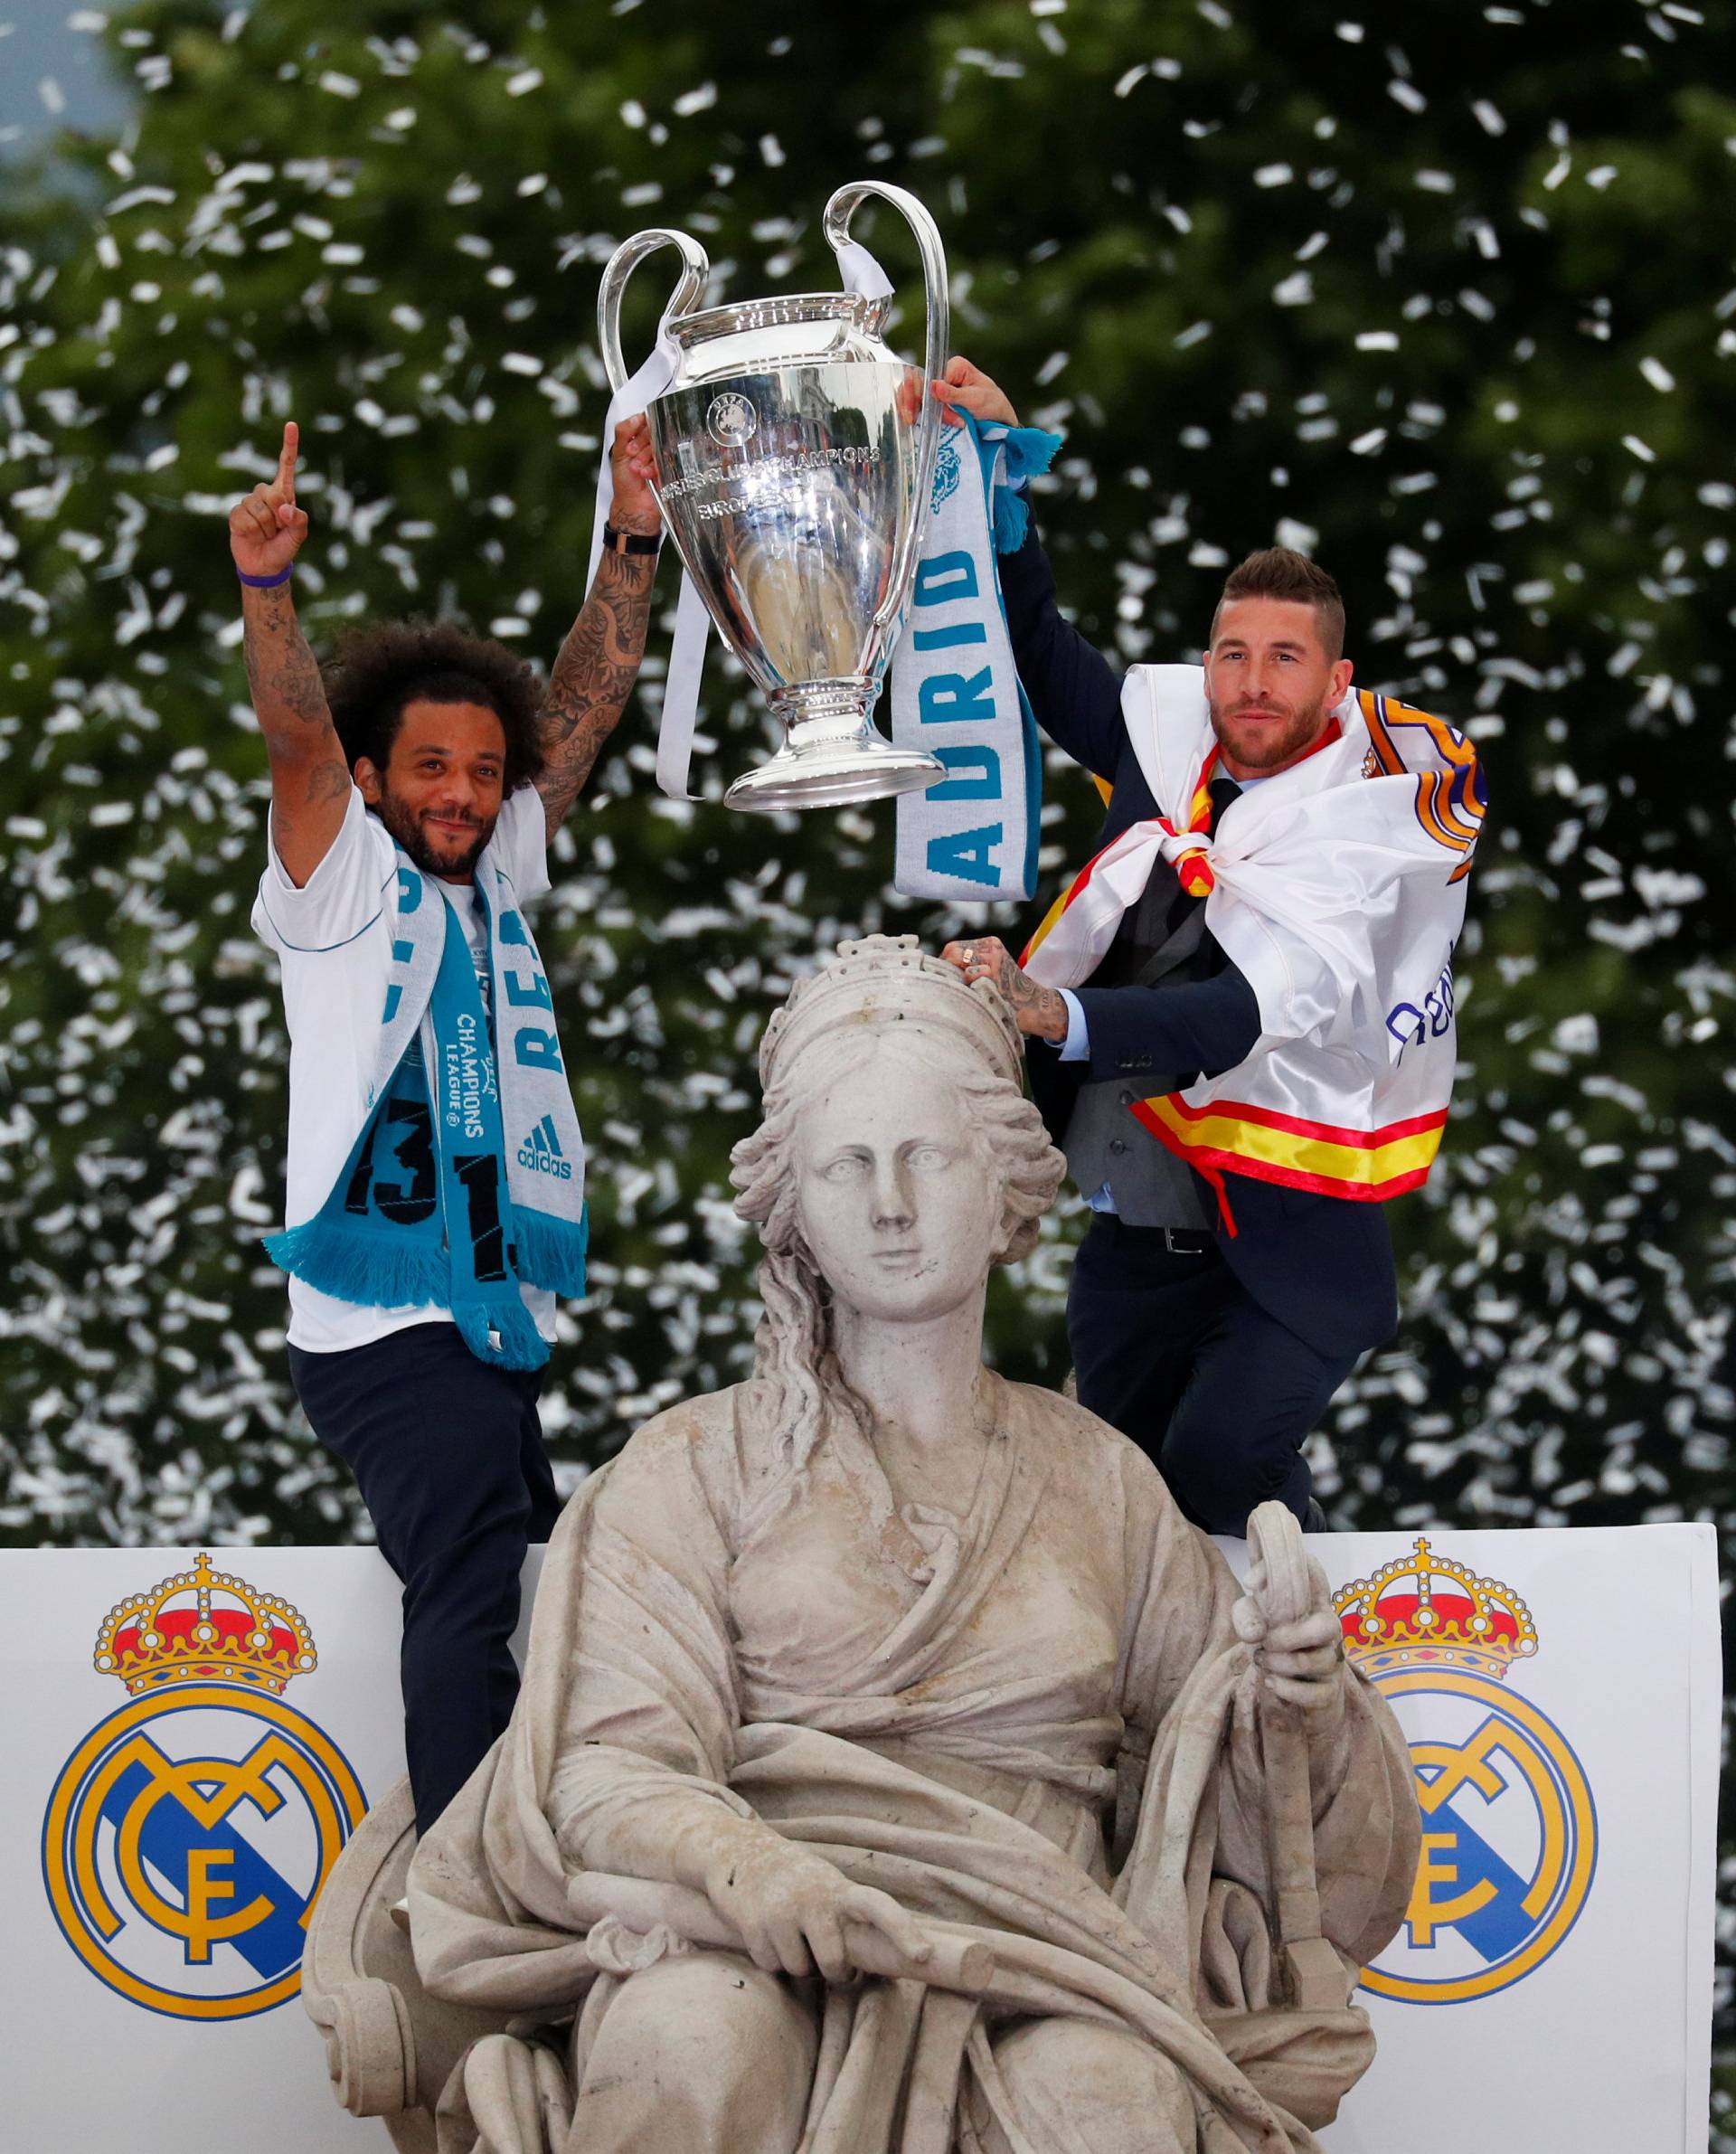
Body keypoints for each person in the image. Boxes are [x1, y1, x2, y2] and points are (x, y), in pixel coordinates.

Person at [401, 936, 1419, 2154]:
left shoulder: (1101, 1479)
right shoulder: (688, 1466)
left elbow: (1232, 1801)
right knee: (691, 2046)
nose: (888, 1204)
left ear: (1005, 1186)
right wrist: (752, 1871)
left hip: (1046, 1954)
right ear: (794, 1206)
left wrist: (1294, 1703)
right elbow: (608, 1771)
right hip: (746, 1933)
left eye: (926, 1156)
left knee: (1110, 2104)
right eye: (846, 1165)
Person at [932, 356, 1485, 1539]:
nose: (1250, 681)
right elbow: (1039, 649)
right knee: (1114, 1518)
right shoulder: (1169, 743)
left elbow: (1230, 1017)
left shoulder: (1360, 829)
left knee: (1217, 1470)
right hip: (1136, 1230)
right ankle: (1206, 1709)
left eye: (1284, 658)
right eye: (1232, 653)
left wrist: (1052, 1011)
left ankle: (1325, 1678)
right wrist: (997, 478)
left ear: (1336, 684)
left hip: (1287, 1247)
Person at [232, 416, 663, 1833]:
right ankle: (462, 1902)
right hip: (381, 1323)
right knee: (475, 1585)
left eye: (483, 772)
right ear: (372, 779)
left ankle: (524, 1848)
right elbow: (296, 729)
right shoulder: (340, 874)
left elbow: (588, 705)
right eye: (430, 769)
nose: (463, 794)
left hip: (482, 1311)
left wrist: (632, 533)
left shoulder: (494, 869)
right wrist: (270, 590)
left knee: (548, 1577)